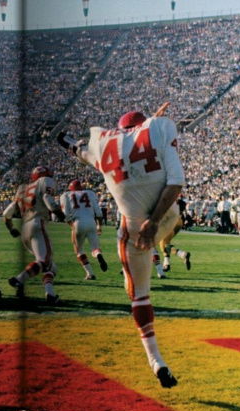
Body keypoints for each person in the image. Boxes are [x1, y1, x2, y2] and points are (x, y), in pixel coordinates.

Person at [57, 102, 183, 389]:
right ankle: (161, 256)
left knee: (138, 294)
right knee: (154, 251)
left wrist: (64, 141)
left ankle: (156, 360)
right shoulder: (157, 131)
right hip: (167, 215)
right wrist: (156, 221)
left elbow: (81, 150)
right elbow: (175, 182)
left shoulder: (106, 146)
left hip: (135, 227)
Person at [4, 166, 67, 302]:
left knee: (50, 266)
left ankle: (50, 295)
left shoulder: (22, 188)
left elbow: (7, 213)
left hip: (24, 228)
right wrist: (60, 214)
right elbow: (47, 198)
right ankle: (19, 279)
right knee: (44, 261)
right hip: (37, 223)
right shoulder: (45, 181)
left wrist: (11, 228)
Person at [59, 179, 108, 280]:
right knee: (95, 248)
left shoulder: (66, 195)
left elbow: (66, 214)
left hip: (78, 222)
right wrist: (99, 226)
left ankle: (90, 273)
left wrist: (71, 225)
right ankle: (98, 254)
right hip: (91, 222)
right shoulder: (90, 193)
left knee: (79, 250)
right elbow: (98, 212)